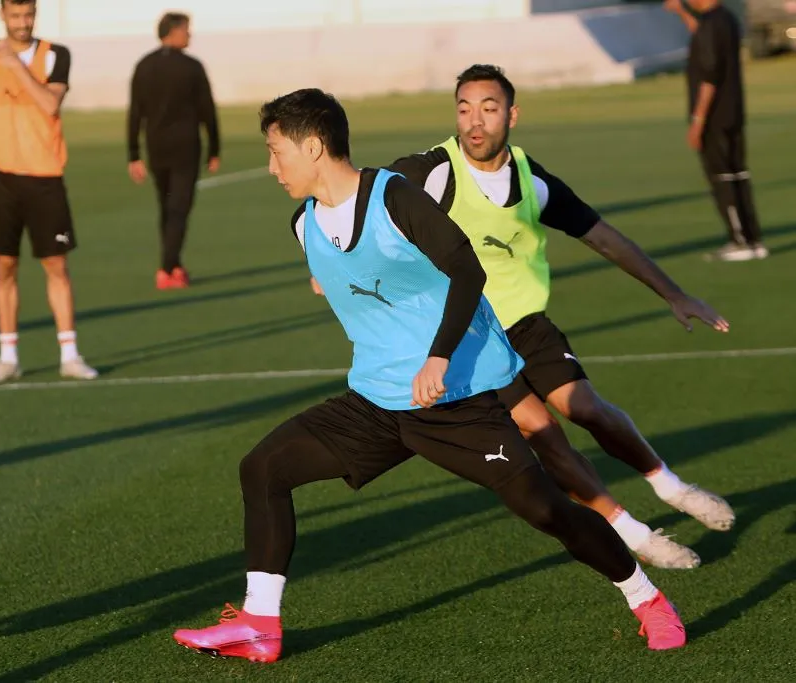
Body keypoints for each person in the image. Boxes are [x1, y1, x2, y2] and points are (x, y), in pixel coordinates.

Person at [172, 88, 686, 664]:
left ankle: (645, 598)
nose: (271, 167)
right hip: (377, 400)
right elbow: (348, 273)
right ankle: (258, 624)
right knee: (263, 467)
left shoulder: (395, 198)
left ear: (314, 146)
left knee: (549, 510)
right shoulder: (304, 223)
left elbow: (466, 270)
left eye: (276, 151)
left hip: (455, 401)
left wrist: (438, 356)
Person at [384, 64, 734, 570]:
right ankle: (635, 535)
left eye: (489, 108)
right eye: (464, 109)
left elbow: (602, 236)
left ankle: (674, 488)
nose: (475, 122)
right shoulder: (430, 171)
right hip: (470, 338)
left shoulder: (531, 178)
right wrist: (327, 259)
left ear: (512, 114)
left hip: (526, 325)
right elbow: (364, 198)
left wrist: (674, 294)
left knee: (586, 408)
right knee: (542, 431)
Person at [0, 0, 97, 385]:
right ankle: (7, 356)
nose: (22, 23)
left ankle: (69, 353)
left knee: (56, 266)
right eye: (15, 16)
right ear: (2, 15)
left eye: (28, 15)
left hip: (44, 177)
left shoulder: (54, 56)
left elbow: (49, 103)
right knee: (4, 267)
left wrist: (17, 66)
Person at [663, 0, 768, 262]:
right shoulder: (725, 19)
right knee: (738, 176)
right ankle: (753, 240)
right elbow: (703, 38)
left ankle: (739, 241)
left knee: (722, 179)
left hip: (715, 117)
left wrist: (698, 121)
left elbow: (709, 75)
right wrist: (681, 13)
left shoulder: (712, 23)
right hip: (733, 112)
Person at [127, 11, 221, 289]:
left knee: (166, 207)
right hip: (185, 147)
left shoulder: (144, 65)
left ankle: (173, 263)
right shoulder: (192, 67)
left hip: (156, 148)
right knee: (179, 208)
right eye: (186, 30)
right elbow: (207, 110)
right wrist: (214, 148)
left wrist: (133, 153)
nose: (189, 35)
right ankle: (167, 268)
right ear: (174, 31)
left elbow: (135, 113)